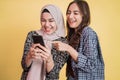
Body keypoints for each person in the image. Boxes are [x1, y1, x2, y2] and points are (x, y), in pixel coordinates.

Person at [53, 0, 104, 80]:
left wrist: (68, 48)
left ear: (84, 16)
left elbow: (91, 66)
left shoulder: (88, 33)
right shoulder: (71, 35)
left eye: (75, 13)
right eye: (68, 12)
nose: (70, 16)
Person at [21, 4, 69, 80]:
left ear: (58, 20)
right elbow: (24, 66)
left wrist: (49, 59)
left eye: (51, 21)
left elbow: (54, 76)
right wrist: (29, 56)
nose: (46, 25)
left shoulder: (63, 43)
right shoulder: (32, 35)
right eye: (43, 20)